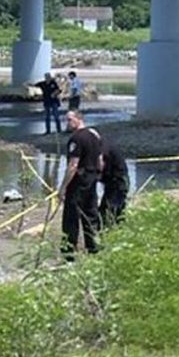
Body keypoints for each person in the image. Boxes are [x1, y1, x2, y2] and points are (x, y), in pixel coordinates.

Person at [58, 109, 102, 260]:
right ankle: (93, 249)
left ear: (78, 119)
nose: (67, 123)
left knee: (71, 218)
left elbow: (73, 165)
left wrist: (63, 187)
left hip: (79, 181)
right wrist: (97, 175)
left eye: (70, 120)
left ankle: (69, 253)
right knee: (90, 215)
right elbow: (100, 160)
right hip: (91, 179)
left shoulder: (77, 138)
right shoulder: (95, 135)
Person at [98, 136, 129, 229]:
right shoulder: (105, 145)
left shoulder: (103, 147)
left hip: (117, 182)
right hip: (115, 182)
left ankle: (110, 232)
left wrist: (95, 175)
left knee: (109, 211)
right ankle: (117, 230)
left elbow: (100, 163)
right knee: (113, 211)